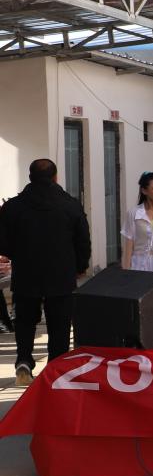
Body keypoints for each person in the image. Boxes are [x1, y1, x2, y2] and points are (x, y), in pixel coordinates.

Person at [0, 159, 90, 387]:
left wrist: (18, 254)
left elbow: (3, 243)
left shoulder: (13, 207)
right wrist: (80, 266)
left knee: (25, 321)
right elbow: (83, 240)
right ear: (55, 177)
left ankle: (23, 360)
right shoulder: (70, 205)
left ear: (30, 177)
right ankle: (55, 368)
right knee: (59, 324)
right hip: (61, 274)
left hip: (26, 273)